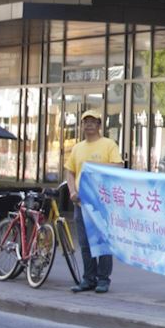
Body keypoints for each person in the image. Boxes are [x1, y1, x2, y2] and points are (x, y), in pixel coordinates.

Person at [66, 110, 122, 293]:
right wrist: (72, 191)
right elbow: (70, 172)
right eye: (85, 121)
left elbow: (118, 166)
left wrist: (94, 166)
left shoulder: (108, 145)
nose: (89, 124)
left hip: (102, 203)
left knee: (103, 241)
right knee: (85, 243)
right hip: (81, 203)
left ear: (99, 125)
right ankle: (88, 278)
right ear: (82, 126)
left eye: (93, 121)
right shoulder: (77, 148)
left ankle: (103, 279)